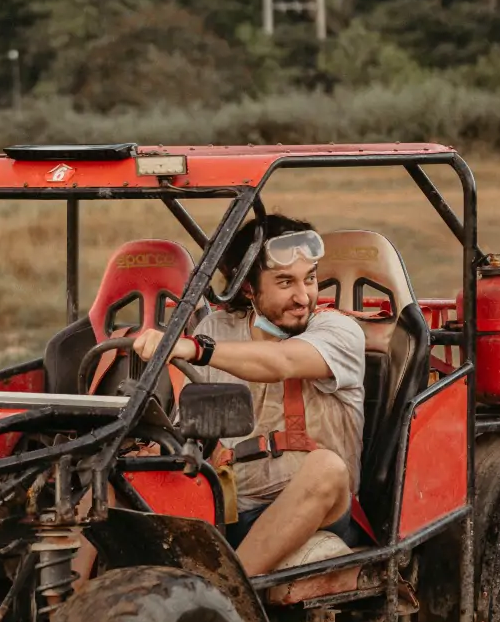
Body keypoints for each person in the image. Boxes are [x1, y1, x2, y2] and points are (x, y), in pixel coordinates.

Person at [132, 214, 366, 579]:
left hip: (315, 507)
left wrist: (195, 349)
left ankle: (227, 595)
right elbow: (191, 428)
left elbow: (283, 361)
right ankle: (59, 609)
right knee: (120, 468)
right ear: (248, 289)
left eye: (310, 279)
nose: (303, 296)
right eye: (285, 282)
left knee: (327, 467)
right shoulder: (218, 329)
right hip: (228, 506)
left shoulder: (339, 331)